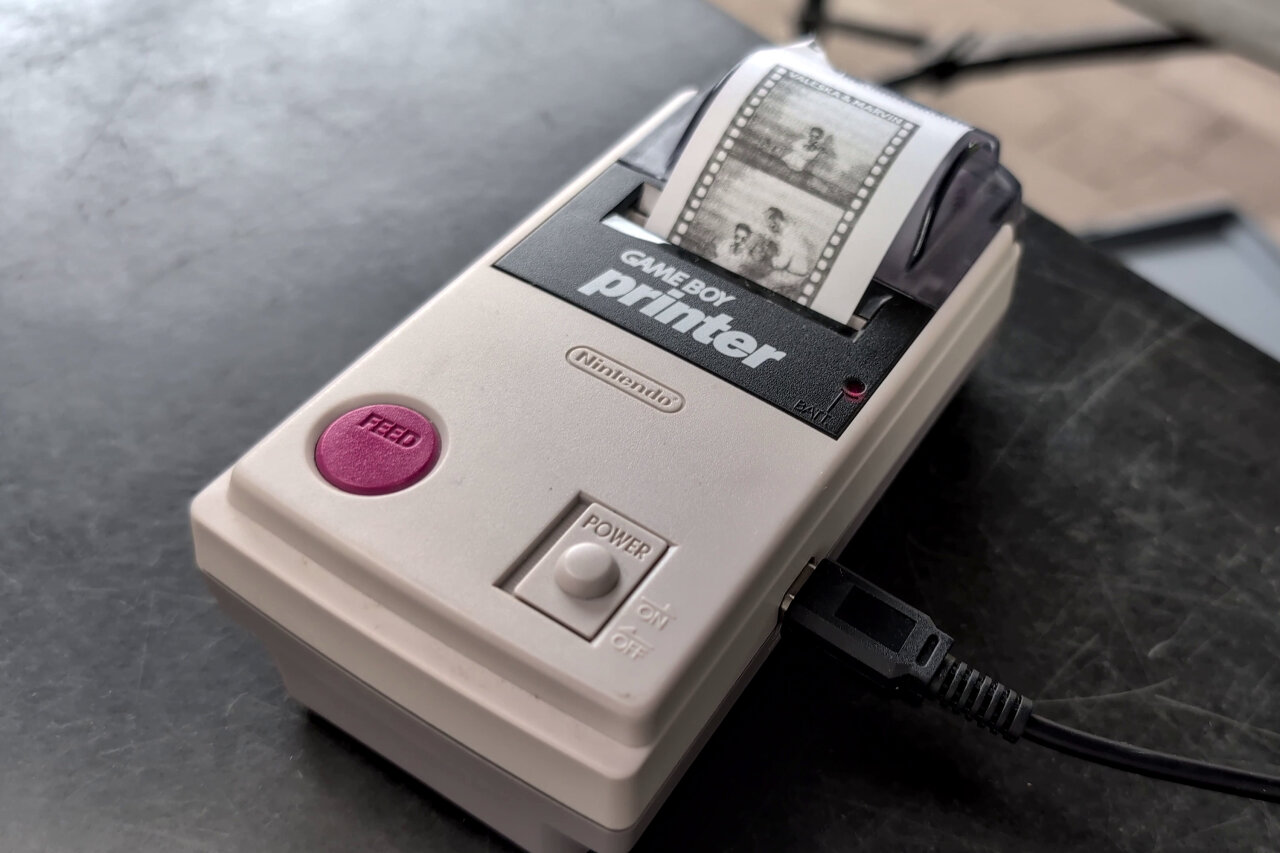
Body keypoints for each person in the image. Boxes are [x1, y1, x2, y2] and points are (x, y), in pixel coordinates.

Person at [759, 207, 816, 298]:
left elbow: (780, 264)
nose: (768, 228)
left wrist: (769, 255)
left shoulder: (788, 238)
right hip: (799, 275)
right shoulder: (791, 230)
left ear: (775, 221)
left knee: (760, 283)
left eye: (768, 225)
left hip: (793, 277)